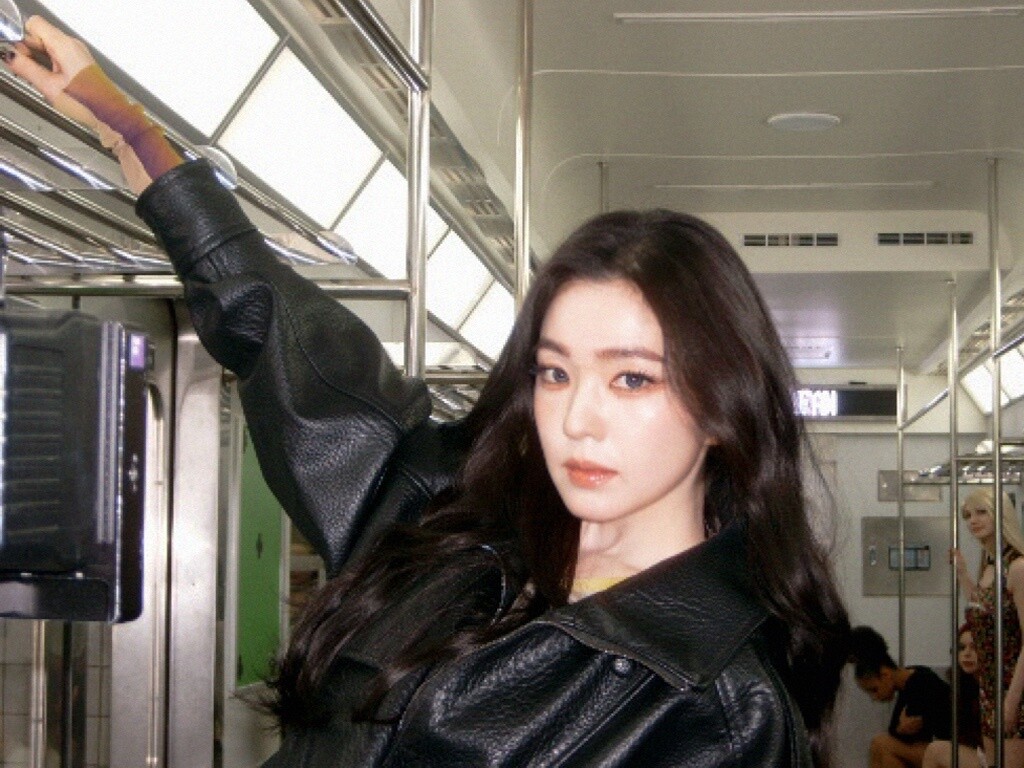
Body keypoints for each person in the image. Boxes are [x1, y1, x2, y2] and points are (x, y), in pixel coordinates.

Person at [5, 16, 852, 768]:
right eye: (555, 372)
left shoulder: (720, 711)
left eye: (632, 378)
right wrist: (130, 126)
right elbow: (281, 335)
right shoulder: (452, 514)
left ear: (721, 408)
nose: (577, 419)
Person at [954, 487, 1024, 767]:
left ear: (1000, 514)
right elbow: (983, 611)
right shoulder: (990, 566)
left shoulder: (1017, 567)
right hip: (989, 687)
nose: (973, 520)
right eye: (968, 515)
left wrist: (1011, 700)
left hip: (1015, 685)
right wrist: (963, 574)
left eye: (981, 512)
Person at [849, 626, 953, 768]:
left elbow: (908, 737)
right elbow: (897, 731)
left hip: (953, 753)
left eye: (874, 690)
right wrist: (900, 730)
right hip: (937, 751)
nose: (874, 698)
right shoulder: (908, 680)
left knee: (881, 744)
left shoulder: (920, 682)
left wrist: (900, 730)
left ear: (885, 675)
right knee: (881, 747)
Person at [922, 624, 984, 768]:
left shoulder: (994, 687)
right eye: (961, 648)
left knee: (934, 751)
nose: (967, 653)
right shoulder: (962, 685)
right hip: (978, 751)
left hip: (1000, 754)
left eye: (974, 647)